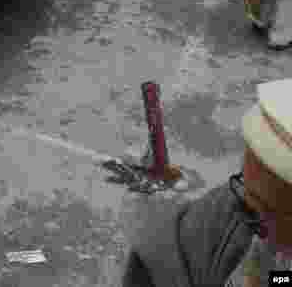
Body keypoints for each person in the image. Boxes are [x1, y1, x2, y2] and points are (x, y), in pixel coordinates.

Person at [121, 78, 292, 287]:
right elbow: (163, 250)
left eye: (266, 211)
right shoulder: (230, 208)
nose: (246, 205)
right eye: (244, 184)